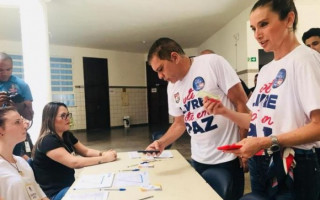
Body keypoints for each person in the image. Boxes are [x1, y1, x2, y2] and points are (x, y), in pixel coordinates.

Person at [203, 0, 320, 199]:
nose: (257, 34)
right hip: (261, 160)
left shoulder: (305, 60)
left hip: (293, 162)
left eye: (264, 24)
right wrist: (224, 111)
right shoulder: (266, 70)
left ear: (289, 19)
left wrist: (266, 142)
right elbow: (257, 121)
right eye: (253, 28)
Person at [146, 38, 248, 200]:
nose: (160, 77)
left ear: (174, 57)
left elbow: (241, 102)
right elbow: (180, 123)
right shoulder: (172, 88)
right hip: (199, 159)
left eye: (161, 69)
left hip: (228, 157)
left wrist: (243, 145)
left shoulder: (212, 63)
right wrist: (161, 143)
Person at [32, 102, 117, 200]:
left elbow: (85, 151)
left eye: (68, 115)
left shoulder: (66, 135)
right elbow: (74, 162)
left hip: (70, 187)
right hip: (57, 193)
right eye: (63, 116)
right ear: (50, 119)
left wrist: (103, 153)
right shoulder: (47, 141)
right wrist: (104, 158)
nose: (68, 118)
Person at [0, 106, 49, 200]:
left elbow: (40, 195)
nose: (25, 125)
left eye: (22, 120)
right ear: (1, 130)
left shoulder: (21, 162)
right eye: (17, 122)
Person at [0, 52, 34, 161]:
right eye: (0, 70)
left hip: (14, 132)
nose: (4, 73)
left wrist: (19, 105)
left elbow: (29, 116)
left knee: (16, 159)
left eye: (8, 69)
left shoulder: (21, 85)